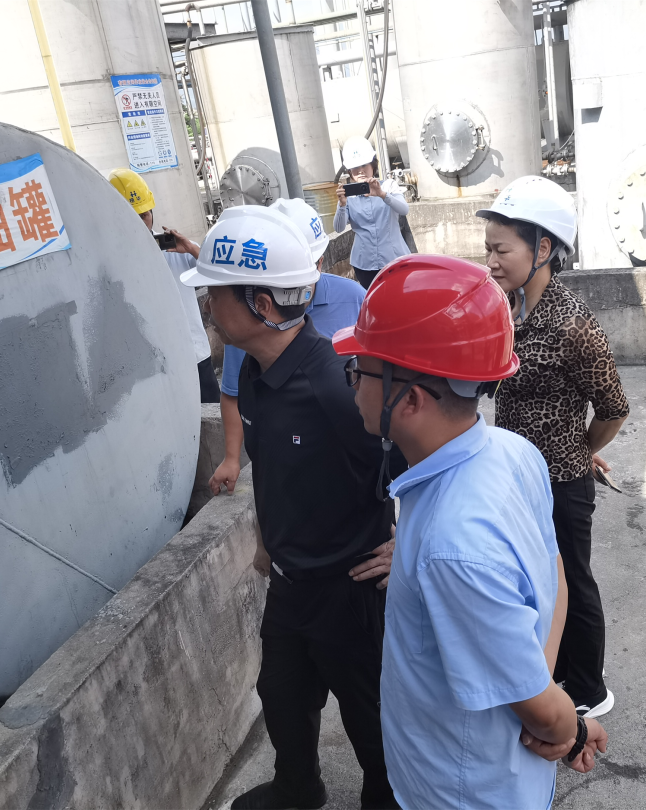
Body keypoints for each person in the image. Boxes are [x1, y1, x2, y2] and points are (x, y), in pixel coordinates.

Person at [332, 254, 608, 810]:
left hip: (462, 792)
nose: (353, 384)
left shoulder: (453, 546)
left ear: (409, 399)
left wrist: (572, 727)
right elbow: (553, 571)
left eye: (361, 369)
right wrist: (532, 673)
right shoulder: (513, 451)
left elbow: (538, 709)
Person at [179, 205, 401, 810]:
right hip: (289, 581)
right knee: (281, 695)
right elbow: (274, 468)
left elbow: (416, 459)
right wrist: (264, 539)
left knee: (372, 720)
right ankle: (298, 789)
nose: (207, 305)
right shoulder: (253, 372)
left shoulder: (336, 385)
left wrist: (409, 542)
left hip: (350, 590)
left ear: (262, 305)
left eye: (215, 293)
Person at [475, 176, 629, 719]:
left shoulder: (573, 326)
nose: (491, 261)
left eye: (502, 250)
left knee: (573, 581)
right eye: (488, 248)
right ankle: (554, 668)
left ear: (542, 249)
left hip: (561, 480)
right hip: (515, 476)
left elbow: (613, 407)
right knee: (536, 577)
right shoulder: (508, 308)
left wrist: (580, 449)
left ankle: (588, 688)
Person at [210, 197, 366, 498]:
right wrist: (231, 458)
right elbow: (232, 395)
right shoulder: (246, 341)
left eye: (309, 267)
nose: (299, 281)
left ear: (320, 262)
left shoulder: (353, 299)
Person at [108, 167, 219, 402]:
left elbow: (218, 271)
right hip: (152, 368)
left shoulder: (175, 249)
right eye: (131, 217)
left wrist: (190, 248)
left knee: (211, 415)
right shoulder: (112, 260)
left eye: (144, 215)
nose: (141, 223)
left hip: (195, 356)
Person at [333, 136, 411, 290]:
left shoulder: (388, 186)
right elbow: (338, 228)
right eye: (355, 167)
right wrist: (341, 205)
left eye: (364, 164)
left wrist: (382, 195)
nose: (360, 170)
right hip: (364, 263)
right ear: (349, 171)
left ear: (373, 164)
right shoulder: (348, 196)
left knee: (398, 297)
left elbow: (404, 209)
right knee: (372, 300)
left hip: (394, 258)